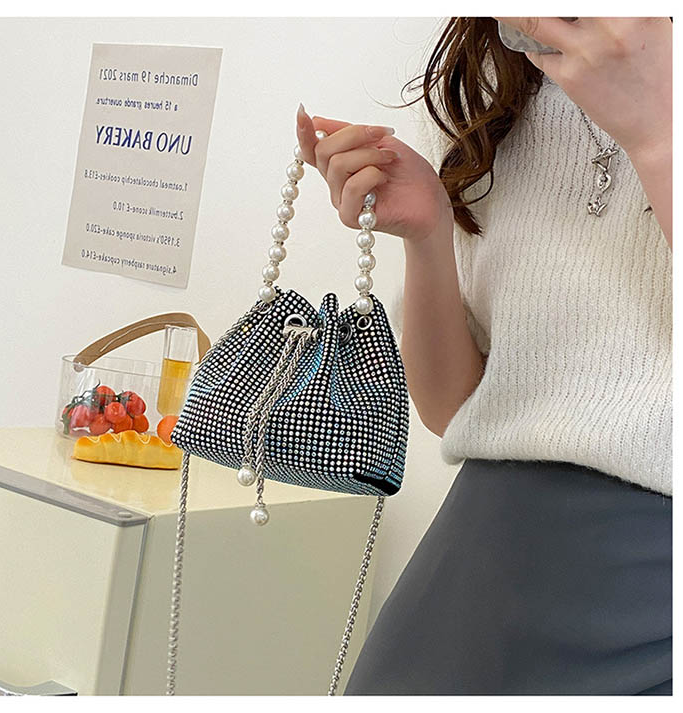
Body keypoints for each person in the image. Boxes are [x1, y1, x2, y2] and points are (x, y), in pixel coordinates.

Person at [295, 17, 672, 695]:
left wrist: (658, 137)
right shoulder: (498, 81)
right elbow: (453, 407)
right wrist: (429, 234)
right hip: (478, 561)